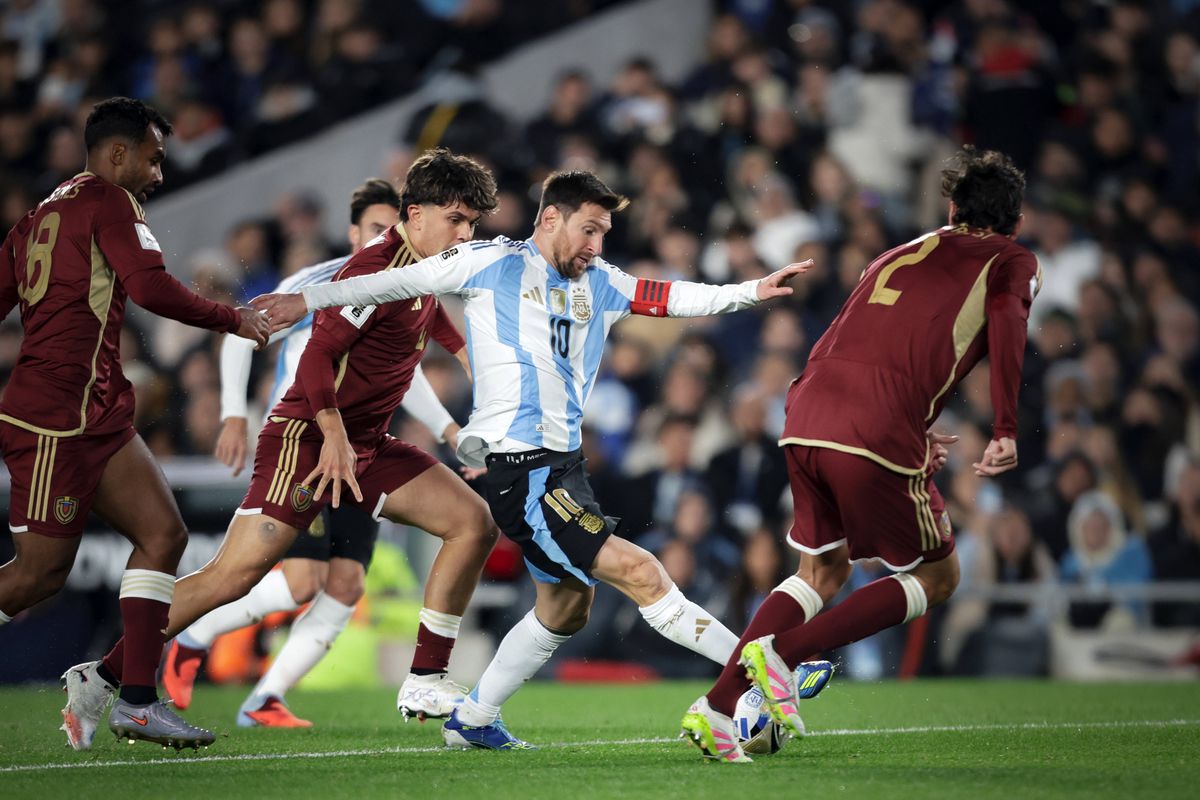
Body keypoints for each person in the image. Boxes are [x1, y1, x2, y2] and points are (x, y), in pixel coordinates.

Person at [252, 169, 823, 750]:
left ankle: (473, 720)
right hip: (521, 469)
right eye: (589, 230)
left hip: (565, 465)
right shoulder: (489, 263)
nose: (597, 246)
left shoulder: (599, 281)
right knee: (642, 573)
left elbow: (670, 296)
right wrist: (308, 297)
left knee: (567, 606)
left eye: (604, 234)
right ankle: (766, 667)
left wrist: (750, 290)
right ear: (551, 218)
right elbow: (392, 281)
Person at [77, 148, 503, 738]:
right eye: (456, 219)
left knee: (472, 523)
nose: (465, 234)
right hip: (305, 441)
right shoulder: (370, 272)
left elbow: (436, 324)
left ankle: (426, 678)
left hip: (366, 446)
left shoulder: (425, 269)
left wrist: (482, 374)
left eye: (472, 224)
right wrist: (327, 432)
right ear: (416, 212)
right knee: (232, 578)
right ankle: (101, 676)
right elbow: (316, 357)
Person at [679, 146, 1041, 763]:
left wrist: (906, 422)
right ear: (1015, 219)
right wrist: (1004, 424)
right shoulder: (1010, 259)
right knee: (937, 574)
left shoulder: (895, 253)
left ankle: (715, 707)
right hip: (873, 420)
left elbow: (860, 337)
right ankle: (783, 657)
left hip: (806, 408)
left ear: (952, 207)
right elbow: (1006, 323)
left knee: (821, 569)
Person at [0, 97, 270, 750]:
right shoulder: (108, 204)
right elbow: (150, 288)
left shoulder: (40, 216)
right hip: (53, 422)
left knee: (163, 534)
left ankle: (136, 701)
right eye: (151, 159)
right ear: (117, 153)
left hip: (99, 415)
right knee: (38, 576)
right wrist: (232, 317)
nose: (157, 174)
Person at [162, 176, 472, 728]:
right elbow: (249, 336)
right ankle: (185, 636)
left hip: (362, 449)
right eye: (378, 227)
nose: (386, 235)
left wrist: (449, 427)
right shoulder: (330, 281)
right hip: (308, 443)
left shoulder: (414, 282)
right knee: (291, 580)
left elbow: (410, 373)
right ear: (357, 231)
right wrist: (234, 411)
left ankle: (265, 698)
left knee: (347, 584)